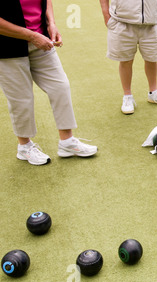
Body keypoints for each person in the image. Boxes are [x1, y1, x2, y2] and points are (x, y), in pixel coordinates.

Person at [0, 0, 98, 166]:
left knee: (60, 86)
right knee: (21, 99)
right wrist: (31, 36)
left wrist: (51, 23)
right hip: (8, 47)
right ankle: (24, 147)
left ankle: (67, 142)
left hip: (41, 40)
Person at [99, 0, 157, 115]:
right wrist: (106, 15)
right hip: (122, 21)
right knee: (126, 60)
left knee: (152, 58)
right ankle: (127, 96)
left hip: (151, 22)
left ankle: (153, 93)